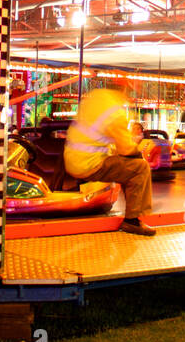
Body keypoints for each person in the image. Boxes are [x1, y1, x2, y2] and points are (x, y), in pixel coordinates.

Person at [64, 88, 156, 236]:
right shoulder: (114, 111)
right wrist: (138, 154)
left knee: (126, 165)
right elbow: (126, 148)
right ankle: (132, 221)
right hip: (89, 164)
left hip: (70, 159)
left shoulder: (95, 96)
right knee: (140, 167)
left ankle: (133, 211)